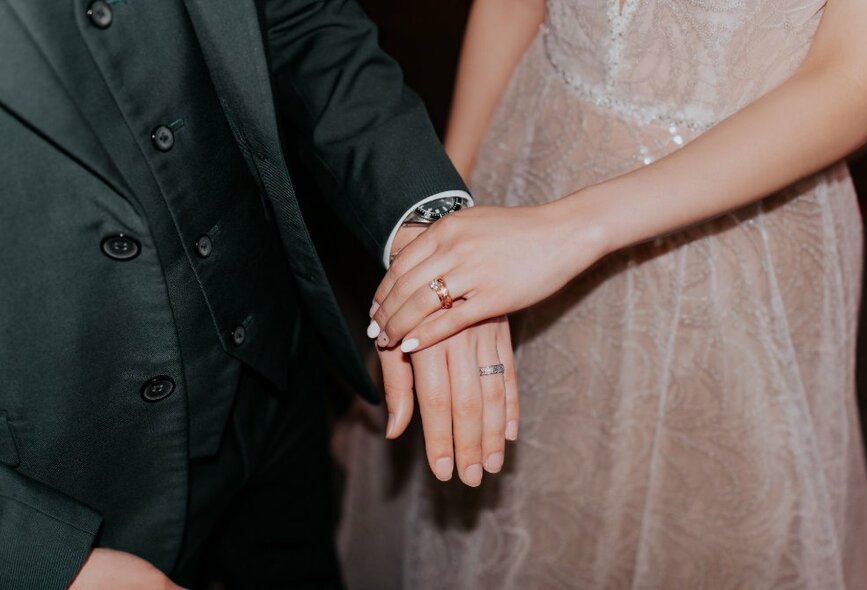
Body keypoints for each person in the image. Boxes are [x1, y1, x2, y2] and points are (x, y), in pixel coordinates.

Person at [353, 0, 867, 586]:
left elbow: (855, 79)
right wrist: (448, 208)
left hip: (738, 230)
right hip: (530, 163)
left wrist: (572, 232)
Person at [0, 0, 517, 587]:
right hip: (62, 483)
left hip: (273, 362)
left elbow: (301, 19)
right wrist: (40, 558)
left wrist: (430, 227)